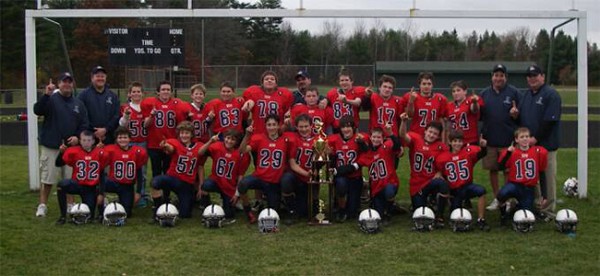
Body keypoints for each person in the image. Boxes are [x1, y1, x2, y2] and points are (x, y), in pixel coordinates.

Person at [33, 73, 89, 217]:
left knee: (70, 178)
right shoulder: (51, 100)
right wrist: (46, 95)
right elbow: (37, 110)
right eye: (64, 82)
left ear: (72, 85)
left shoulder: (78, 104)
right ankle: (42, 205)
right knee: (48, 178)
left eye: (69, 82)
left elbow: (84, 124)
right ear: (59, 84)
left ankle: (70, 204)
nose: (67, 85)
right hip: (52, 145)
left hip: (71, 148)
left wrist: (77, 137)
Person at [335, 125, 402, 223]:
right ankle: (387, 208)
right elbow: (354, 166)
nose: (376, 139)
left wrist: (391, 133)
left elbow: (397, 145)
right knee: (378, 214)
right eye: (374, 137)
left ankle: (389, 211)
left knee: (389, 192)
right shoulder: (368, 154)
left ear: (383, 138)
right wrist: (336, 170)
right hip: (376, 188)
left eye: (378, 137)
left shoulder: (386, 146)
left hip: (389, 183)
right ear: (370, 138)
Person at [519, 64, 561, 212]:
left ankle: (549, 209)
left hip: (546, 144)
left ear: (542, 76)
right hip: (530, 145)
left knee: (548, 177)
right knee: (533, 176)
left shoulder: (551, 94)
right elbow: (522, 117)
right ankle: (537, 205)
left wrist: (535, 138)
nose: (532, 79)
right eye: (529, 76)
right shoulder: (527, 94)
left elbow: (550, 120)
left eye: (535, 75)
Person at [479, 64, 520, 211]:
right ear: (492, 77)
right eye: (496, 75)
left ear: (505, 77)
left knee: (508, 171)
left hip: (507, 139)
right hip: (490, 139)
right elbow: (479, 115)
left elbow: (519, 115)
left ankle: (507, 198)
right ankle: (498, 198)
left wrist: (516, 114)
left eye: (501, 75)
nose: (498, 78)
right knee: (493, 169)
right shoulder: (484, 93)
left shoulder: (514, 92)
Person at [238, 114, 291, 223]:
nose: (271, 127)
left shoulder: (286, 140)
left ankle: (282, 203)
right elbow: (242, 150)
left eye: (274, 125)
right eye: (269, 125)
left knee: (273, 212)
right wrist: (247, 135)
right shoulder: (259, 138)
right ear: (265, 126)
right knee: (242, 184)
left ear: (278, 125)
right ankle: (248, 212)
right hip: (260, 177)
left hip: (274, 182)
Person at [399, 113, 449, 228]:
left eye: (435, 134)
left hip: (431, 181)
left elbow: (446, 165)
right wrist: (403, 122)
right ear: (425, 131)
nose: (431, 135)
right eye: (430, 132)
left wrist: (440, 172)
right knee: (419, 213)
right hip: (417, 184)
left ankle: (439, 215)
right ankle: (428, 202)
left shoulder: (441, 147)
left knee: (442, 184)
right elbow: (403, 135)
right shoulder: (416, 139)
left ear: (438, 136)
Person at [436, 130, 490, 231]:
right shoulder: (443, 157)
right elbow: (440, 172)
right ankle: (440, 215)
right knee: (455, 213)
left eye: (460, 141)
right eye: (455, 141)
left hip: (467, 186)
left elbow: (482, 154)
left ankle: (481, 219)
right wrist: (439, 173)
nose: (457, 143)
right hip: (454, 191)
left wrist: (483, 147)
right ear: (450, 142)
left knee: (481, 191)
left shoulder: (468, 152)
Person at [150, 121, 204, 219]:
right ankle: (157, 208)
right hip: (173, 178)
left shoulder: (199, 146)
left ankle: (178, 202)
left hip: (187, 183)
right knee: (155, 182)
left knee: (185, 215)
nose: (184, 135)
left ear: (192, 134)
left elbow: (200, 166)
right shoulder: (175, 142)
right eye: (182, 133)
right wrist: (166, 145)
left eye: (187, 133)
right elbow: (171, 149)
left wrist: (200, 184)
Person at [496, 127, 548, 224]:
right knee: (501, 195)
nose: (524, 139)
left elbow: (542, 173)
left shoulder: (538, 152)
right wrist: (508, 153)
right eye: (522, 137)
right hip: (514, 185)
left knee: (527, 215)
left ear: (530, 138)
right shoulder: (512, 152)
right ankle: (503, 214)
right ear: (516, 140)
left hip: (528, 188)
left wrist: (544, 195)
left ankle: (515, 209)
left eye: (527, 136)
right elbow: (500, 167)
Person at [198, 128, 250, 223]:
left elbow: (240, 176)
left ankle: (230, 204)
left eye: (232, 139)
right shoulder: (218, 146)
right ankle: (206, 207)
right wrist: (210, 141)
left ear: (237, 142)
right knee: (205, 185)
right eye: (227, 138)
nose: (229, 141)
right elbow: (200, 152)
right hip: (216, 181)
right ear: (224, 138)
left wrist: (236, 194)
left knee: (229, 215)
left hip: (229, 186)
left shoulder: (241, 155)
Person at [55, 130, 107, 224]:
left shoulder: (100, 153)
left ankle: (100, 213)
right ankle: (62, 216)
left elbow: (102, 174)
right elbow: (58, 163)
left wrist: (101, 193)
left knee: (89, 215)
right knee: (61, 185)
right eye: (84, 140)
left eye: (88, 140)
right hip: (77, 184)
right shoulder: (73, 151)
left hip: (90, 188)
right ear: (80, 140)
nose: (86, 143)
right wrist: (61, 152)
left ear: (93, 141)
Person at [141, 80, 188, 178]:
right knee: (156, 171)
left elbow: (181, 125)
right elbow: (145, 125)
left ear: (171, 92)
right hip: (154, 143)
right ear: (158, 92)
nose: (165, 91)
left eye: (168, 89)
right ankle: (157, 193)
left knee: (169, 171)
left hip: (171, 143)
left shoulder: (178, 103)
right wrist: (151, 115)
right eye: (163, 89)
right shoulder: (150, 103)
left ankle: (166, 193)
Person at [280, 114, 321, 224]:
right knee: (286, 180)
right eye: (301, 127)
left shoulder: (318, 139)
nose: (304, 129)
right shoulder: (293, 137)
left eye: (306, 126)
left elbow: (322, 160)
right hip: (296, 175)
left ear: (311, 126)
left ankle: (312, 202)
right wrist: (285, 124)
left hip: (310, 178)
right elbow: (292, 164)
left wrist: (315, 171)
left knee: (305, 211)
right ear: (296, 127)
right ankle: (290, 209)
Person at [327, 115, 369, 221]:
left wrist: (362, 143)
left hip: (355, 176)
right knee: (341, 184)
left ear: (354, 127)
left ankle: (357, 196)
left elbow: (366, 156)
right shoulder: (334, 139)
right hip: (341, 177)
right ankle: (340, 208)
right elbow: (330, 162)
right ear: (340, 128)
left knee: (352, 213)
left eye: (348, 126)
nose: (346, 129)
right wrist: (330, 155)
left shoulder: (359, 139)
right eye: (343, 127)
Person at [101, 127, 148, 217]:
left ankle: (120, 202)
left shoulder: (137, 152)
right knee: (96, 185)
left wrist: (138, 192)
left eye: (125, 137)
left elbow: (139, 173)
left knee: (126, 213)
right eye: (120, 137)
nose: (122, 140)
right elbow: (100, 164)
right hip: (112, 182)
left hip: (127, 186)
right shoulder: (110, 150)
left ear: (130, 138)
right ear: (116, 139)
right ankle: (102, 203)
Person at [119, 81, 148, 205]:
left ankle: (141, 195)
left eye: (138, 91)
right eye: (134, 92)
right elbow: (121, 125)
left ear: (143, 94)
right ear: (129, 94)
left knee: (142, 171)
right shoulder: (125, 107)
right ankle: (126, 195)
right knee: (127, 171)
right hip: (129, 143)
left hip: (143, 142)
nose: (136, 94)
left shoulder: (146, 107)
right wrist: (126, 116)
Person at [78, 66, 120, 144]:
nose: (100, 78)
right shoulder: (83, 95)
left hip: (108, 137)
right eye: (97, 76)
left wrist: (105, 129)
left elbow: (116, 115)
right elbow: (81, 116)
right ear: (92, 78)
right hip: (89, 138)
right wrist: (94, 131)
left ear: (106, 78)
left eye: (102, 76)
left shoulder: (113, 96)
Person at [404, 72, 448, 136]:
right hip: (416, 134)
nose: (426, 86)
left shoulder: (440, 99)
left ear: (432, 85)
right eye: (424, 84)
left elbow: (442, 120)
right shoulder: (411, 96)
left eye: (429, 84)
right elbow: (409, 116)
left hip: (433, 135)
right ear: (419, 85)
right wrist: (411, 102)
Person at [445, 80, 483, 145]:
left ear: (465, 91)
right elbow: (448, 124)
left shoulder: (471, 100)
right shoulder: (449, 106)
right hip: (455, 141)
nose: (456, 93)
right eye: (453, 91)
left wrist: (474, 102)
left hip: (470, 140)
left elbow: (474, 109)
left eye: (458, 90)